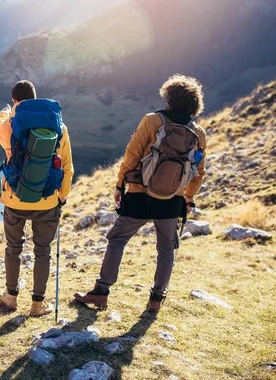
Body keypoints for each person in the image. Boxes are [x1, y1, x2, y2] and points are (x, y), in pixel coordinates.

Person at [74, 74, 207, 313]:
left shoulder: (152, 120)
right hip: (172, 200)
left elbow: (132, 155)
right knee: (166, 248)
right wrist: (188, 197)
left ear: (169, 98)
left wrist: (119, 184)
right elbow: (199, 171)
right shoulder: (198, 132)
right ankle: (156, 299)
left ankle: (101, 292)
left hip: (140, 193)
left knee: (117, 240)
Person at [0, 80, 74, 316]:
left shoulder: (10, 125)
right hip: (48, 200)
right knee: (43, 250)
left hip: (14, 199)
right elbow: (67, 167)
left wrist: (9, 110)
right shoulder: (60, 128)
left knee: (13, 248)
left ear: (16, 100)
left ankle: (10, 297)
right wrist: (62, 195)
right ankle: (38, 304)